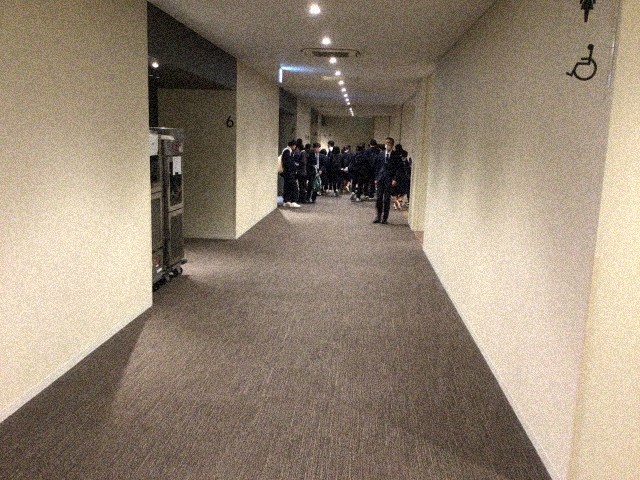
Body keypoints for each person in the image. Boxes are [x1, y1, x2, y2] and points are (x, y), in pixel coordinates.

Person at [373, 137, 402, 223]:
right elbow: (377, 167)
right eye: (386, 143)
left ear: (392, 145)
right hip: (380, 179)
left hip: (389, 179)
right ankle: (378, 216)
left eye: (389, 143)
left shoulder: (396, 156)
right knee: (379, 198)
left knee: (386, 199)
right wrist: (376, 178)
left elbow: (398, 169)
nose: (387, 144)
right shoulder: (381, 154)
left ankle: (385, 218)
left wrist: (395, 179)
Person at [281, 140, 301, 208]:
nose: (295, 147)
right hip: (289, 173)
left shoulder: (286, 151)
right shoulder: (287, 151)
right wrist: (294, 166)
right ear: (293, 145)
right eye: (295, 146)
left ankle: (286, 201)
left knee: (287, 187)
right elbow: (288, 163)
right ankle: (293, 201)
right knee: (294, 187)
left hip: (287, 173)